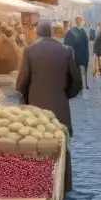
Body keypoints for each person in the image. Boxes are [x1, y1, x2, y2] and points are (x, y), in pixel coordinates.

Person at [16, 20, 82, 190]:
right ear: (52, 32)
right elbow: (76, 82)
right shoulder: (66, 51)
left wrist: (26, 98)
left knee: (37, 145)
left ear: (38, 33)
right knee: (62, 144)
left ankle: (39, 183)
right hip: (60, 105)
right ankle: (65, 184)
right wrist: (64, 95)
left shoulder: (30, 51)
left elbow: (22, 81)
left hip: (36, 108)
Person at [64, 17, 91, 89]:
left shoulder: (83, 31)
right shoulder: (71, 32)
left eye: (80, 21)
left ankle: (83, 84)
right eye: (78, 21)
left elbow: (86, 44)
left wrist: (87, 55)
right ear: (76, 21)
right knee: (76, 72)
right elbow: (67, 44)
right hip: (75, 55)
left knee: (82, 71)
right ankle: (77, 86)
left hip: (83, 55)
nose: (79, 22)